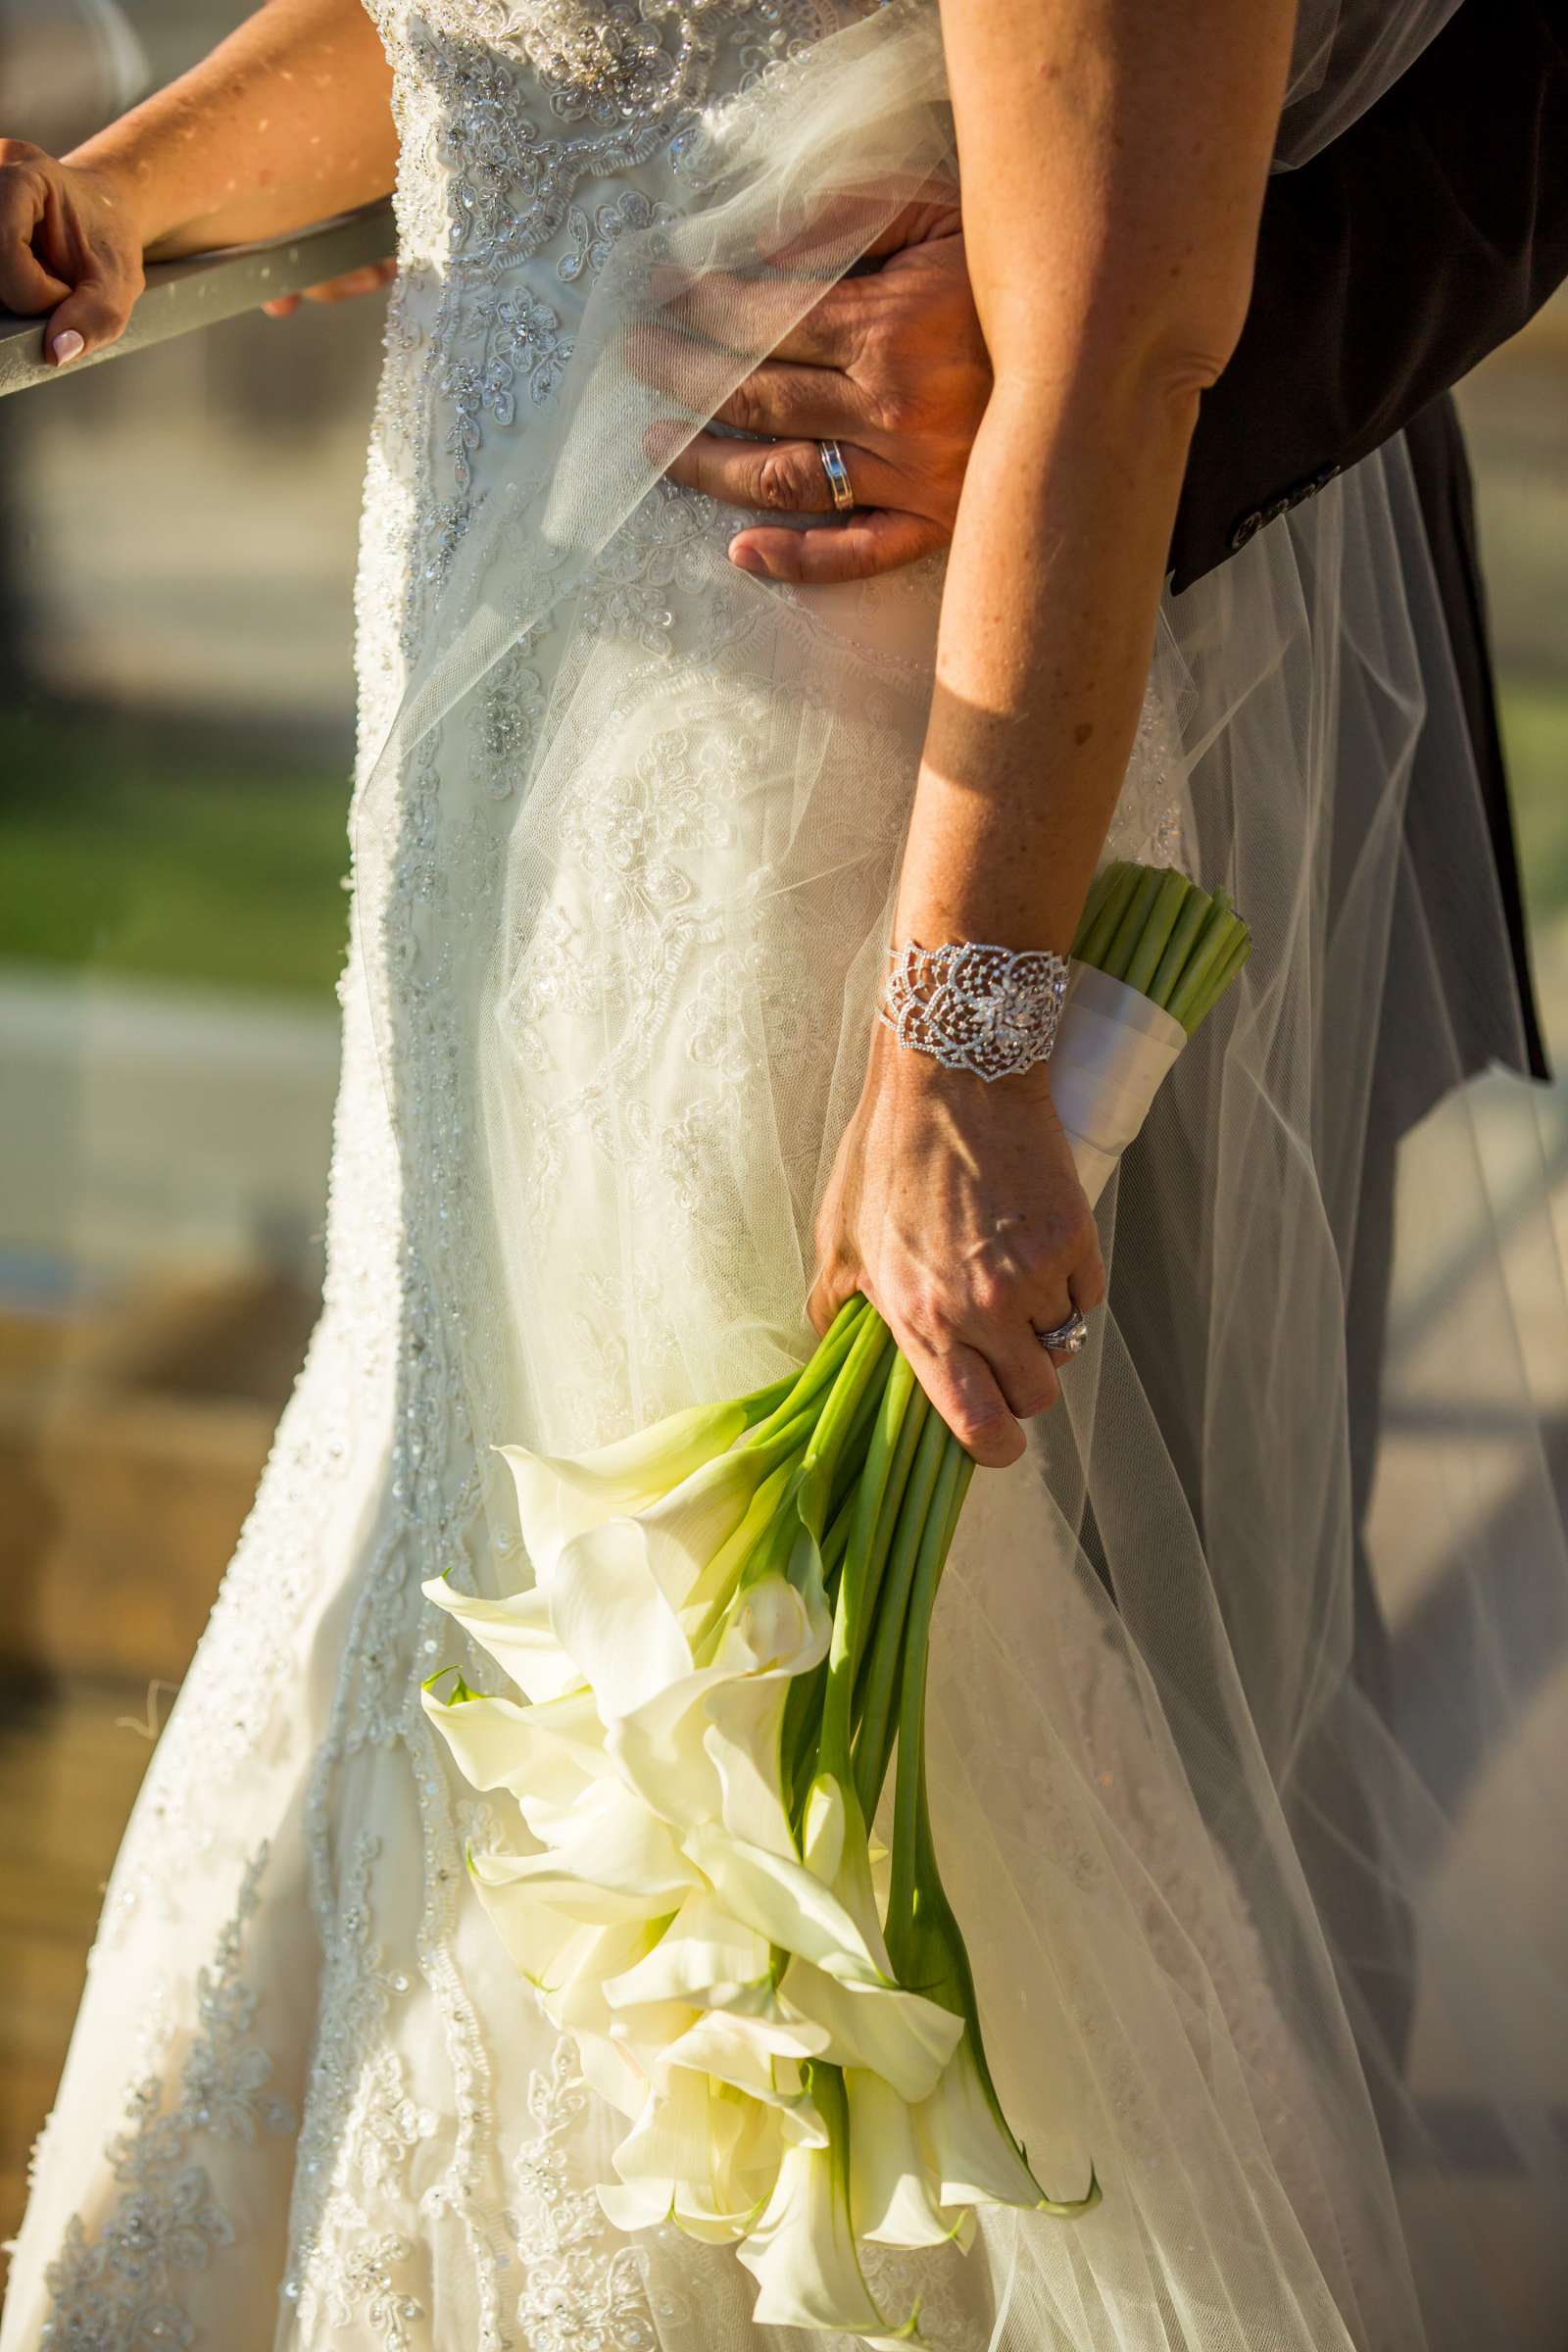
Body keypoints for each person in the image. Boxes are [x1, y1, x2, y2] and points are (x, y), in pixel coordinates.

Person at [2, 7, 1565, 2351]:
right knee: (473, 1491)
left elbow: (1121, 332)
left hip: (815, 731)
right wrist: (130, 193)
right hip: (490, 740)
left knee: (809, 1660)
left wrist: (954, 1048)